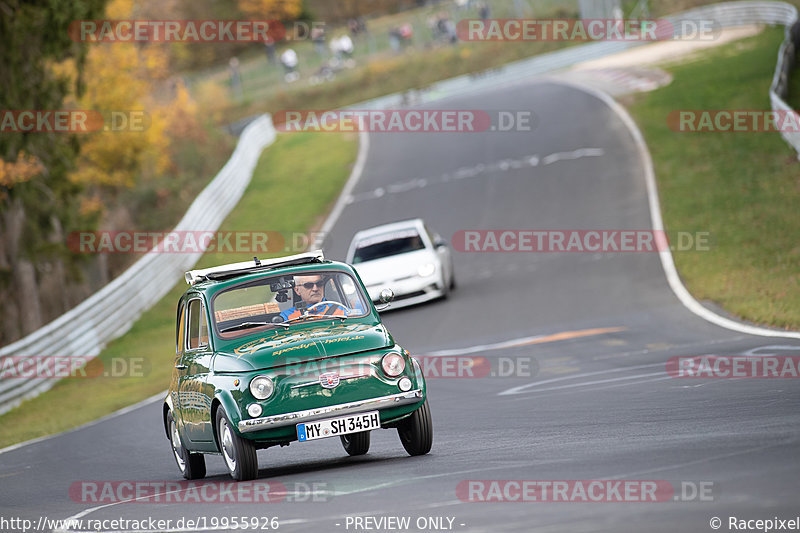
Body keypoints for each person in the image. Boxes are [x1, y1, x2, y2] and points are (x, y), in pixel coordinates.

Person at [279, 274, 346, 321]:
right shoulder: (287, 317)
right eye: (308, 285)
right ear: (297, 290)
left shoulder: (341, 310)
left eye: (319, 283)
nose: (315, 289)